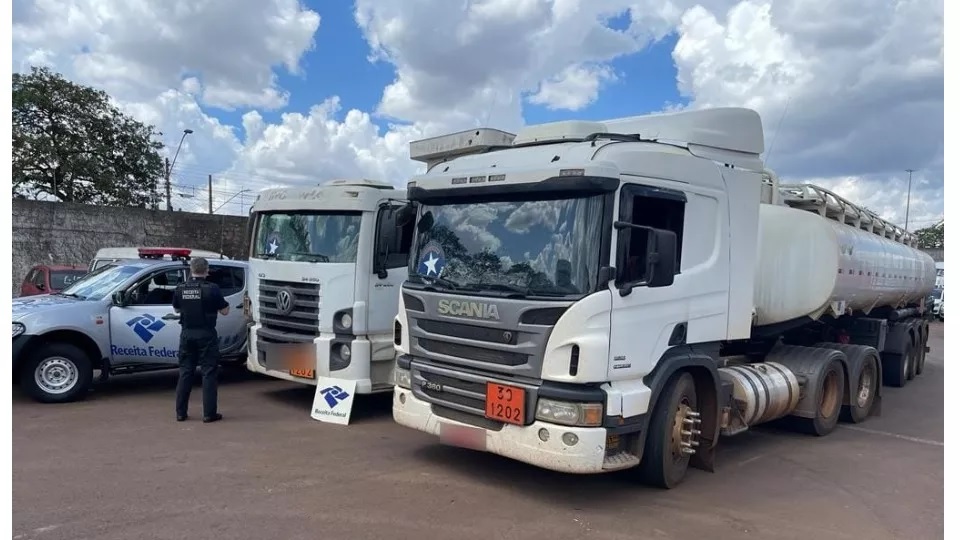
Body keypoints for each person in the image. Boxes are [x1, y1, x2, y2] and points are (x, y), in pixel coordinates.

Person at [172, 257, 229, 423]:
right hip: (206, 335)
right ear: (207, 270)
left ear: (191, 269)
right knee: (209, 373)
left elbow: (176, 309)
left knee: (185, 372)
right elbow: (225, 311)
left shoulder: (180, 288)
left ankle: (180, 413)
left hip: (187, 334)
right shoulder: (212, 289)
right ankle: (209, 414)